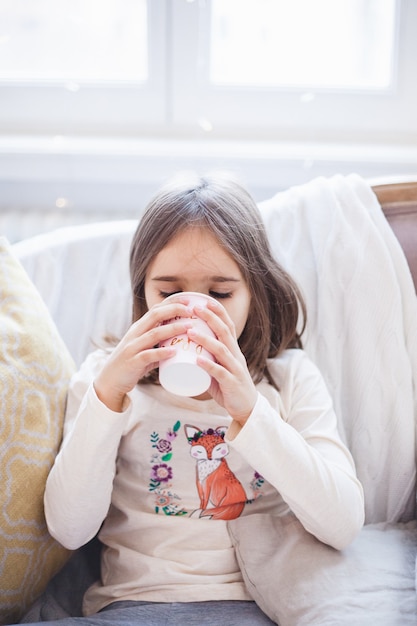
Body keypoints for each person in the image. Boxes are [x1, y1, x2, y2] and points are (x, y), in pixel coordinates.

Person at [26, 173, 364, 625]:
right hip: (135, 604)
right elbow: (69, 529)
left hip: (258, 606)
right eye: (169, 293)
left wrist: (251, 411)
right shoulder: (105, 381)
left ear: (254, 292)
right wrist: (107, 398)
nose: (194, 312)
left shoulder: (289, 380)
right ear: (143, 292)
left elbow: (342, 524)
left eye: (220, 293)